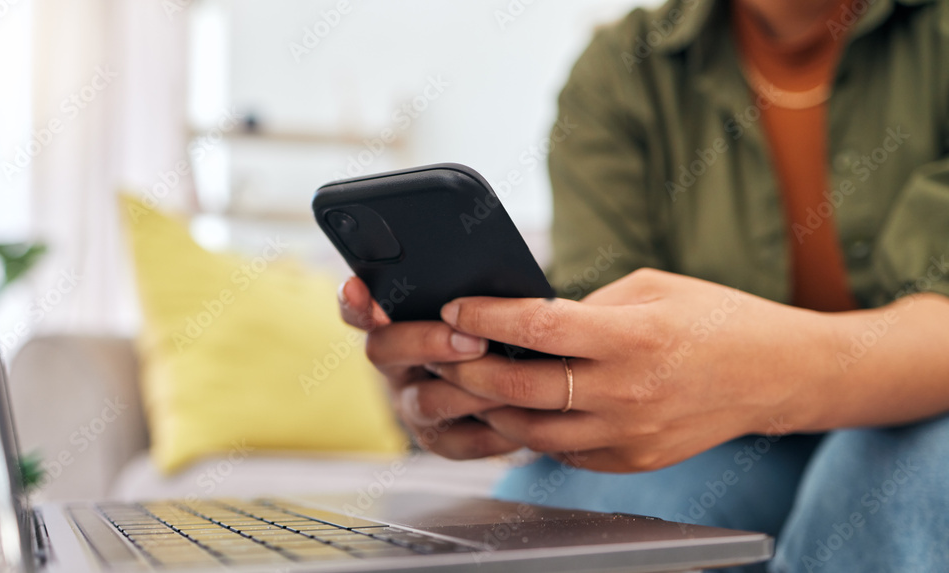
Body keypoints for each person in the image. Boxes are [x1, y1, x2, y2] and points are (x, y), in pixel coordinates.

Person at [337, 0, 949, 571]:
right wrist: (488, 383)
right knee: (557, 518)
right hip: (720, 444)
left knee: (915, 480)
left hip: (927, 405)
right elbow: (599, 311)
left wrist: (760, 377)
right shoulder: (622, 72)